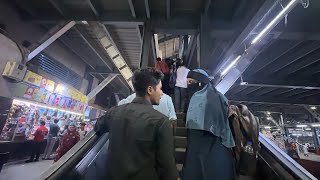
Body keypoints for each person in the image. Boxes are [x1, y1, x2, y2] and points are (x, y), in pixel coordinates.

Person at [95, 67, 178, 180]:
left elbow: (98, 127)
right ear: (150, 90)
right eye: (160, 89)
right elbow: (166, 163)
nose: (162, 93)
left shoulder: (114, 112)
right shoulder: (161, 121)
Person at [182, 69, 236, 180]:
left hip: (208, 145)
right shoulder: (217, 97)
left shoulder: (208, 100)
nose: (189, 86)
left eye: (191, 82)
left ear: (201, 82)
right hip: (204, 146)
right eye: (187, 82)